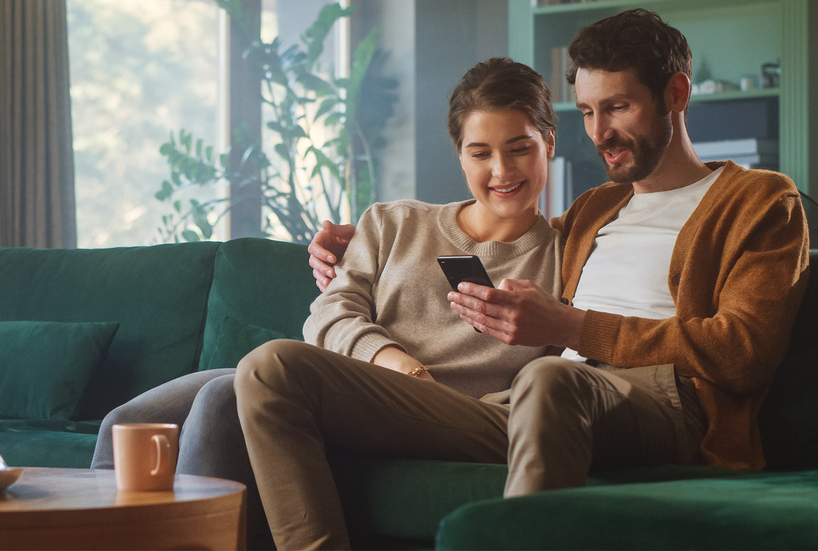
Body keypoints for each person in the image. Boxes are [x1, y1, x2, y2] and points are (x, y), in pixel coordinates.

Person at [309, 6, 809, 500]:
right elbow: (512, 230)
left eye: (617, 107)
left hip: (662, 399)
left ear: (676, 94)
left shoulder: (759, 201)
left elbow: (743, 351)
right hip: (540, 396)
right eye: (588, 112)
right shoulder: (594, 210)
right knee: (275, 370)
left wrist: (572, 328)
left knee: (549, 378)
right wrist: (364, 243)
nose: (598, 133)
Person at [94, 57, 563, 549]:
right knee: (126, 423)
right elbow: (328, 314)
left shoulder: (566, 257)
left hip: (439, 412)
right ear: (460, 156)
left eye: (520, 148)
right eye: (480, 153)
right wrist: (398, 364)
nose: (501, 170)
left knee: (223, 399)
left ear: (549, 143)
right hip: (341, 378)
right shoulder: (393, 222)